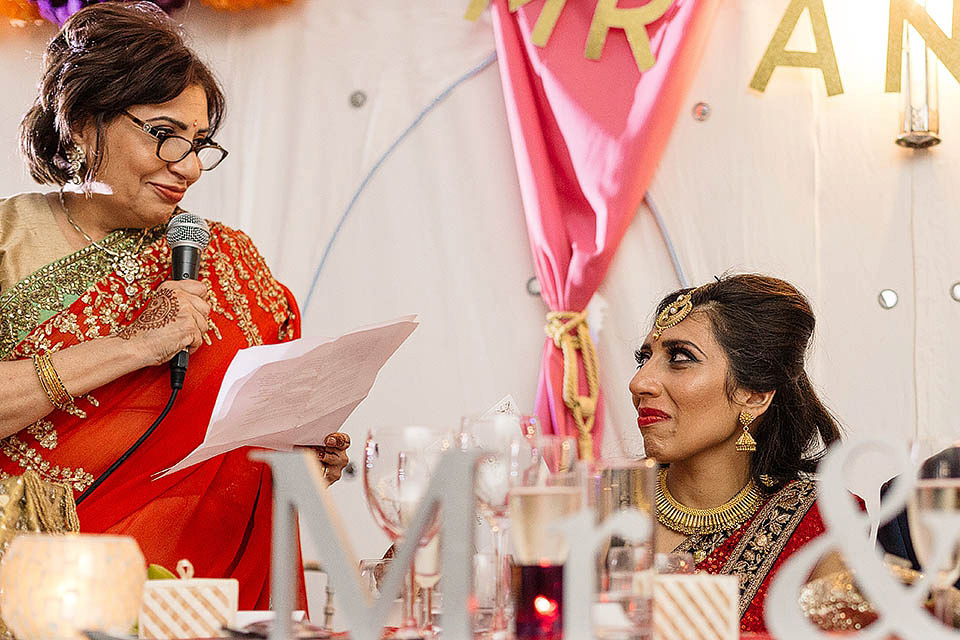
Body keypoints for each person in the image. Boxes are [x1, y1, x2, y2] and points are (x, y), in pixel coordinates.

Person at [0, 2, 349, 609]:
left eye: (200, 144)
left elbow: (244, 431)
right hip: (43, 593)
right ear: (82, 120)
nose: (187, 167)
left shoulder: (232, 262)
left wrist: (298, 452)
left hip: (207, 600)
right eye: (163, 135)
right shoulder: (7, 243)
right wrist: (133, 347)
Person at [629, 274, 842, 632]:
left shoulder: (816, 521)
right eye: (644, 358)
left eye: (680, 358)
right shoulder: (606, 499)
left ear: (755, 395)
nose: (639, 383)